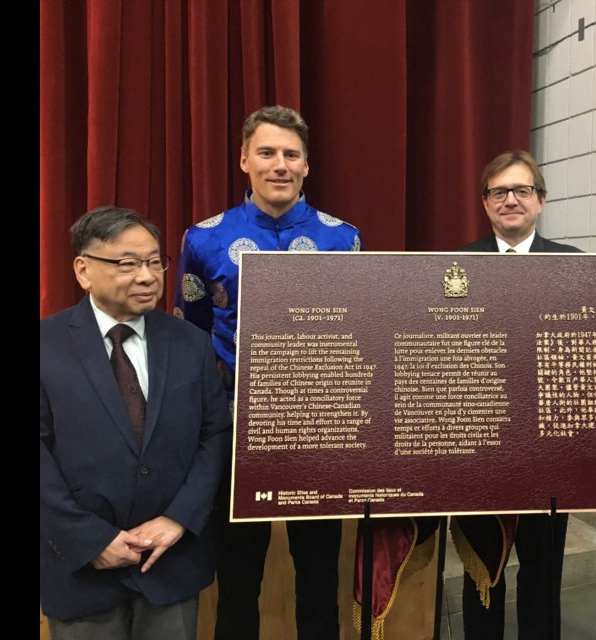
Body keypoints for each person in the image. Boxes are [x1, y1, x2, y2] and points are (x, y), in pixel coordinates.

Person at [176, 105, 361, 640]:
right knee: (237, 578)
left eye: (291, 154)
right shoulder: (204, 239)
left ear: (307, 165)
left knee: (319, 574)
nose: (279, 164)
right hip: (235, 429)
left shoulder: (343, 238)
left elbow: (360, 332)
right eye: (267, 152)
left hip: (320, 431)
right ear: (244, 160)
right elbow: (191, 332)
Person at [40, 206, 231, 640]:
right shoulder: (46, 345)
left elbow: (214, 433)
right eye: (127, 264)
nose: (147, 276)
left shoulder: (191, 343)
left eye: (154, 261)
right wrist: (88, 539)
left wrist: (179, 519)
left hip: (171, 563)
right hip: (80, 568)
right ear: (83, 269)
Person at [454, 150, 581, 640]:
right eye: (499, 192)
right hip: (479, 453)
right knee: (480, 572)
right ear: (485, 204)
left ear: (541, 200)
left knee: (543, 574)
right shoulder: (453, 268)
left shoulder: (574, 268)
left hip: (550, 451)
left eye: (521, 190)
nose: (511, 200)